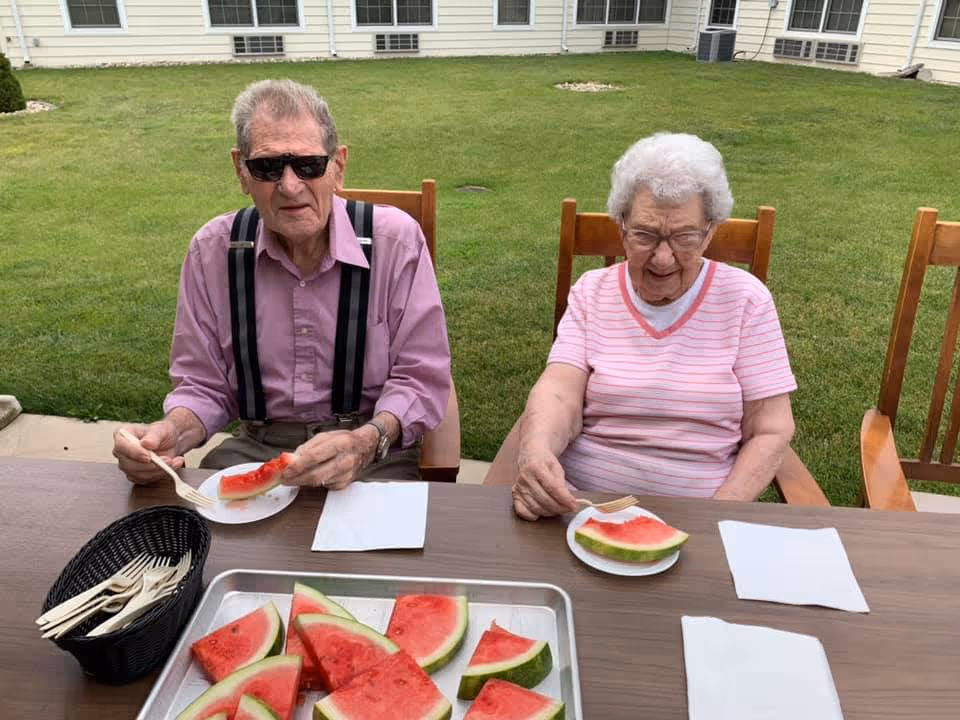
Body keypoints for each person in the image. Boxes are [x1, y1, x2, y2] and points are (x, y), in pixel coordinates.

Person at [114, 79, 451, 490]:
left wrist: (367, 442)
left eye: (308, 165)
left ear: (338, 166)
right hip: (255, 449)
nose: (290, 186)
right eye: (268, 167)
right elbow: (203, 383)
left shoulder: (395, 242)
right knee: (192, 543)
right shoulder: (212, 251)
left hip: (369, 454)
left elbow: (421, 378)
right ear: (241, 171)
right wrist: (169, 435)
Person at [486, 132, 796, 520]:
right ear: (621, 229)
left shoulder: (747, 300)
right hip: (580, 508)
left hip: (701, 517)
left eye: (684, 236)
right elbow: (559, 394)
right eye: (645, 235)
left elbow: (770, 429)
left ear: (711, 232)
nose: (663, 259)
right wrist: (537, 455)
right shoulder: (592, 292)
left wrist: (721, 515)